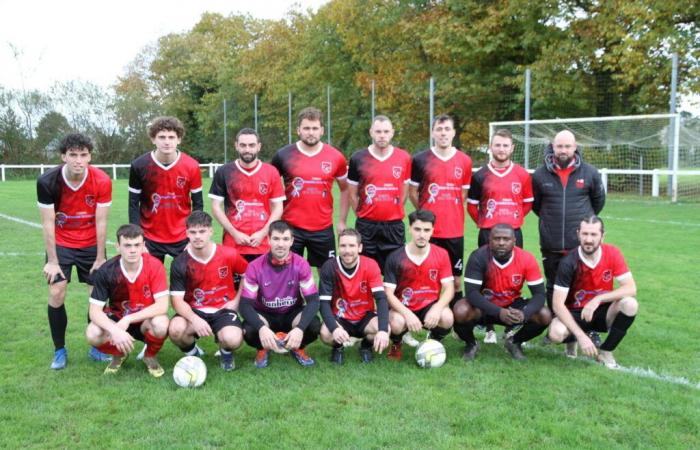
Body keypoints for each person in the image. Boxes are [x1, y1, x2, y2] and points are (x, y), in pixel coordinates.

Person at [37, 132, 112, 369]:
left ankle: (96, 347)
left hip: (90, 244)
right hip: (62, 243)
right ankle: (59, 350)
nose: (78, 160)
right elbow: (48, 223)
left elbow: (101, 222)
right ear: (63, 157)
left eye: (83, 155)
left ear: (90, 156)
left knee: (97, 295)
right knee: (57, 292)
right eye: (73, 155)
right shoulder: (48, 181)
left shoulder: (101, 180)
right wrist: (52, 260)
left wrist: (100, 258)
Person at [408, 114, 472, 347]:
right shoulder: (420, 159)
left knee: (454, 281)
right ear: (433, 132)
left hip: (454, 231)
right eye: (439, 129)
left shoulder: (464, 161)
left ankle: (452, 322)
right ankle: (419, 320)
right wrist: (426, 216)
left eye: (447, 129)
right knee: (423, 279)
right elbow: (413, 193)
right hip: (429, 233)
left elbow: (462, 195)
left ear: (453, 133)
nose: (443, 133)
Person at [467, 128, 533, 344]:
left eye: (505, 145)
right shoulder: (480, 175)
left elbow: (527, 203)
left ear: (512, 148)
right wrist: (484, 223)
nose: (501, 149)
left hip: (513, 232)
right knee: (487, 278)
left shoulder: (522, 174)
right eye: (497, 145)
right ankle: (489, 327)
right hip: (487, 232)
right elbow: (472, 206)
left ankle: (511, 323)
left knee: (512, 279)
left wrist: (512, 222)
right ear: (490, 148)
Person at [547, 216, 638, 369]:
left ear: (603, 236)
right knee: (555, 333)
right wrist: (581, 337)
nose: (588, 239)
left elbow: (631, 288)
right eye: (585, 234)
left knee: (630, 304)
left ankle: (606, 350)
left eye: (593, 234)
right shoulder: (568, 261)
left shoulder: (612, 253)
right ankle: (572, 341)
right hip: (575, 313)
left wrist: (597, 299)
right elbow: (557, 305)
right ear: (578, 234)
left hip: (601, 311)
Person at [453, 223, 551, 361]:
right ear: (490, 240)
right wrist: (498, 312)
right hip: (484, 306)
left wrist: (525, 313)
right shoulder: (478, 256)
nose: (501, 243)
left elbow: (540, 294)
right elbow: (472, 293)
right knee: (460, 310)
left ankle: (514, 342)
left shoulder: (526, 258)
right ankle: (471, 344)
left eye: (506, 239)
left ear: (514, 241)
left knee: (544, 314)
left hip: (512, 306)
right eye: (497, 238)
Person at [532, 130, 606, 309]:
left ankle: (582, 325)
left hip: (579, 243)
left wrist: (581, 221)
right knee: (553, 285)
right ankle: (554, 324)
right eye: (559, 146)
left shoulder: (590, 172)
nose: (563, 150)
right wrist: (552, 220)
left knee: (582, 285)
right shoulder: (539, 175)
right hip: (551, 242)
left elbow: (598, 203)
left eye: (567, 146)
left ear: (575, 147)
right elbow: (536, 206)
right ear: (553, 147)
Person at [168, 211, 249, 371]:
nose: (198, 236)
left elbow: (248, 275)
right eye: (193, 232)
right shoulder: (180, 262)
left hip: (223, 309)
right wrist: (194, 319)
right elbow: (176, 301)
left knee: (233, 339)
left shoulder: (229, 254)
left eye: (202, 231)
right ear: (187, 233)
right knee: (176, 330)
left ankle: (225, 353)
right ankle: (194, 355)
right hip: (195, 310)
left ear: (211, 231)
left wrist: (236, 301)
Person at [85, 224, 169, 377]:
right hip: (118, 318)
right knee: (92, 333)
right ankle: (119, 354)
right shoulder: (107, 270)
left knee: (161, 324)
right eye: (127, 245)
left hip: (144, 319)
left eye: (137, 245)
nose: (132, 250)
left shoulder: (155, 266)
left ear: (143, 246)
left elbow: (162, 306)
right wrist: (115, 330)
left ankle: (149, 356)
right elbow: (94, 311)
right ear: (118, 246)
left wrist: (129, 319)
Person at [271, 107, 349, 268]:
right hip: (290, 227)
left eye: (315, 128)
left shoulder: (336, 157)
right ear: (298, 130)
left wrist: (341, 221)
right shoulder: (283, 155)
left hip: (322, 227)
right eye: (306, 128)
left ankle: (324, 295)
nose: (311, 132)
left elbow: (345, 189)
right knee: (287, 272)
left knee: (328, 272)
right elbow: (269, 186)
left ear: (322, 130)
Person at [238, 220, 322, 368]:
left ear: (292, 241)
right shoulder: (254, 266)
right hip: (265, 314)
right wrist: (262, 328)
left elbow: (314, 301)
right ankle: (262, 348)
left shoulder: (301, 264)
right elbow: (244, 305)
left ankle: (297, 347)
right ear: (268, 240)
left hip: (291, 313)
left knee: (314, 325)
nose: (281, 244)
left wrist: (300, 328)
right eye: (276, 239)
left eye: (285, 239)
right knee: (250, 329)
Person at [128, 116, 203, 262]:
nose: (167, 142)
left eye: (171, 137)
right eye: (161, 137)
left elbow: (198, 205)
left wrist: (193, 236)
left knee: (186, 282)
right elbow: (133, 204)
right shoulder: (139, 165)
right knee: (149, 283)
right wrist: (138, 238)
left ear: (179, 139)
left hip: (182, 235)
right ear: (153, 139)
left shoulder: (192, 166)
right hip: (149, 236)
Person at [383, 210, 454, 361]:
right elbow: (388, 293)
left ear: (432, 231)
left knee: (447, 318)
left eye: (426, 230)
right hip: (403, 306)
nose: (422, 235)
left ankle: (434, 340)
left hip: (429, 305)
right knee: (396, 323)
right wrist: (407, 314)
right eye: (417, 229)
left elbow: (449, 288)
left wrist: (437, 308)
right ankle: (396, 343)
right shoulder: (396, 257)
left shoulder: (441, 254)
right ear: (409, 229)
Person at [342, 115, 411, 271]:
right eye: (378, 131)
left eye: (386, 131)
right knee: (365, 271)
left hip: (394, 225)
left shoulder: (404, 157)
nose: (382, 135)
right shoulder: (358, 158)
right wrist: (362, 213)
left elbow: (404, 190)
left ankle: (389, 297)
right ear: (371, 132)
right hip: (367, 226)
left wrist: (394, 209)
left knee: (395, 271)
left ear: (392, 133)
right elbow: (352, 193)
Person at [209, 128, 285, 261]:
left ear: (259, 147)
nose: (247, 149)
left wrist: (263, 233)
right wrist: (234, 233)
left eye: (251, 145)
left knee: (263, 282)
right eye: (243, 145)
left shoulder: (271, 172)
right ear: (236, 146)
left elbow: (278, 207)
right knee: (234, 282)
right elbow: (215, 206)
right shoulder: (224, 172)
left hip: (263, 243)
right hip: (233, 243)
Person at [318, 229, 390, 364]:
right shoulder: (329, 267)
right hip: (341, 317)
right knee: (325, 333)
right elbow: (323, 304)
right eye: (343, 246)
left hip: (365, 317)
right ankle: (338, 347)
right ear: (338, 247)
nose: (347, 250)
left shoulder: (370, 265)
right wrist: (335, 328)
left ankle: (366, 346)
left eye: (352, 246)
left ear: (360, 247)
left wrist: (383, 330)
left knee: (386, 328)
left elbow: (381, 299)